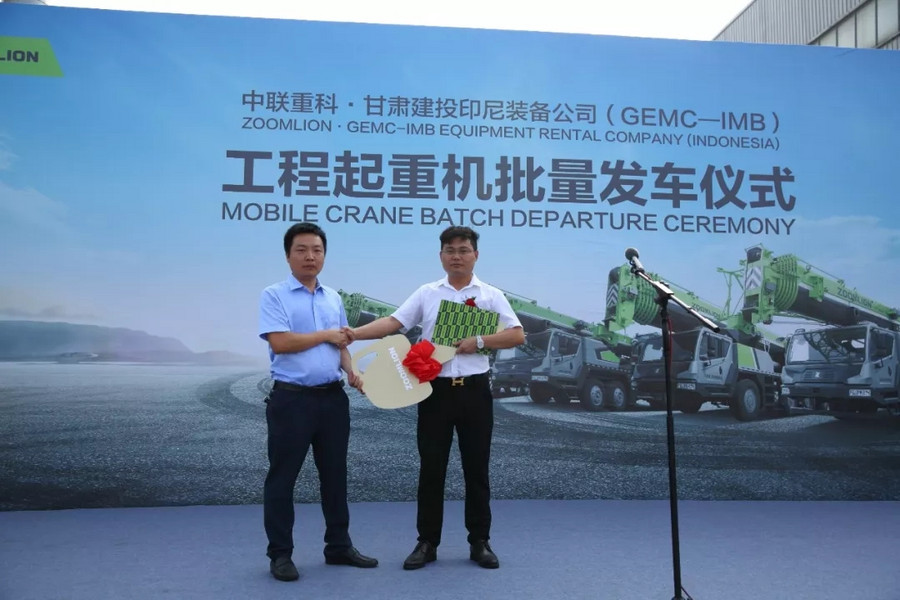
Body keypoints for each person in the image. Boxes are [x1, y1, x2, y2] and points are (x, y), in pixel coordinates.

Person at [347, 225, 524, 570]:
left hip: (474, 390)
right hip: (435, 392)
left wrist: (480, 341)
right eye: (450, 250)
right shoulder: (427, 293)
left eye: (463, 250)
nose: (457, 256)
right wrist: (354, 334)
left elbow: (516, 335)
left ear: (476, 255)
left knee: (477, 469)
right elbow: (393, 323)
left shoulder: (490, 295)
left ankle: (480, 541)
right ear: (441, 256)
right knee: (431, 468)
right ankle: (427, 542)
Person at [258, 222, 378, 582]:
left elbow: (341, 345)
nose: (310, 256)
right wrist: (326, 334)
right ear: (288, 255)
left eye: (317, 250)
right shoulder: (274, 295)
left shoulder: (333, 298)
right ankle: (280, 554)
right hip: (291, 401)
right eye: (301, 250)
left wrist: (352, 371)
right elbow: (280, 342)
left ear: (324, 255)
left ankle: (338, 546)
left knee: (335, 477)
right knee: (282, 479)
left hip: (332, 400)